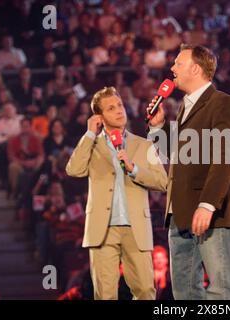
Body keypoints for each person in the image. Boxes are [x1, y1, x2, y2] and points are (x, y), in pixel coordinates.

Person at [147, 44, 230, 299]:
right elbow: (177, 156)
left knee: (221, 288)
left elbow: (225, 158)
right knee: (185, 291)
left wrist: (208, 204)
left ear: (196, 69)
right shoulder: (184, 106)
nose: (172, 68)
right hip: (178, 210)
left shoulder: (222, 103)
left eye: (178, 63)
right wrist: (159, 129)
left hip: (207, 211)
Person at [66, 87, 167, 300]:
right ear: (99, 117)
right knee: (104, 295)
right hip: (102, 229)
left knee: (146, 292)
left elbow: (162, 182)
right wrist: (90, 133)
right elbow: (74, 170)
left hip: (136, 227)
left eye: (120, 105)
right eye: (111, 108)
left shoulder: (143, 144)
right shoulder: (91, 144)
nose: (119, 111)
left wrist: (134, 170)